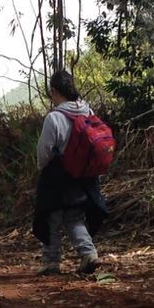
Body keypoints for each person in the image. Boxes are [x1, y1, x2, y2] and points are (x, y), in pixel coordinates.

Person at [32, 68, 110, 276]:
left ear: (55, 91)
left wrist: (41, 168)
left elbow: (44, 150)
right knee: (74, 218)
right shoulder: (88, 111)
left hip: (58, 176)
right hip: (84, 177)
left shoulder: (54, 118)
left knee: (52, 218)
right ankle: (89, 254)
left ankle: (51, 262)